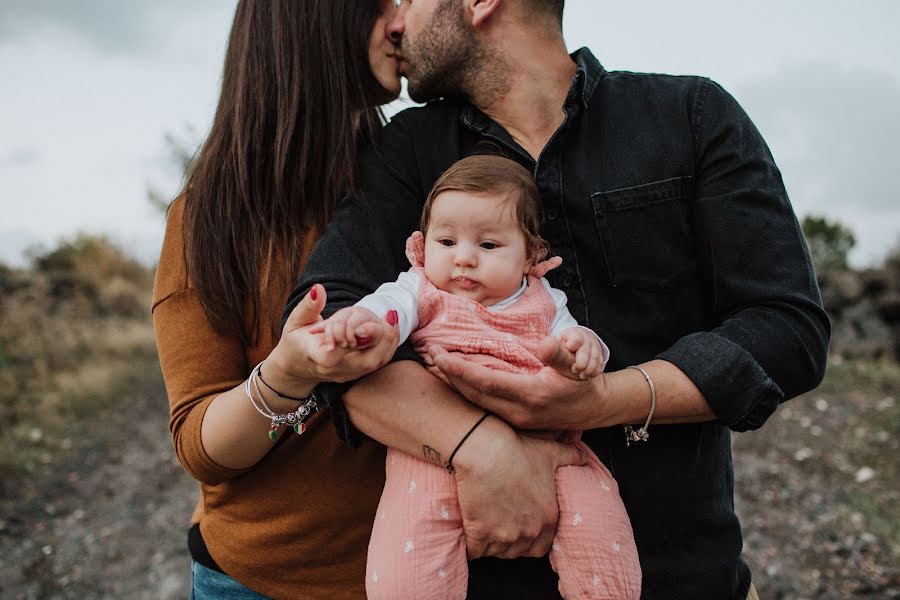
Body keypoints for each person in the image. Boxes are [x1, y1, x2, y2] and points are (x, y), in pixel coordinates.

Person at [286, 0, 830, 598]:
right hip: (470, 576)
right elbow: (329, 317)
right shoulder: (406, 149)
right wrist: (481, 448)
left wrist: (597, 402)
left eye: (411, 0)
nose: (394, 22)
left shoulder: (692, 115)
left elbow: (786, 327)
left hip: (682, 574)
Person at [151, 1, 414, 597]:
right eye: (380, 5)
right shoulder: (208, 221)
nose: (401, 21)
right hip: (262, 579)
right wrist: (287, 376)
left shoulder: (422, 180)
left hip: (432, 567)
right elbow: (200, 445)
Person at [318, 155, 641, 600]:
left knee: (601, 528)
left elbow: (575, 343)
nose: (464, 259)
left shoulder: (545, 301)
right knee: (406, 570)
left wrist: (584, 351)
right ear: (422, 242)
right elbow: (389, 308)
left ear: (531, 254)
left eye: (488, 246)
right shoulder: (421, 288)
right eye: (446, 241)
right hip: (432, 447)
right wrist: (364, 324)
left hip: (550, 446)